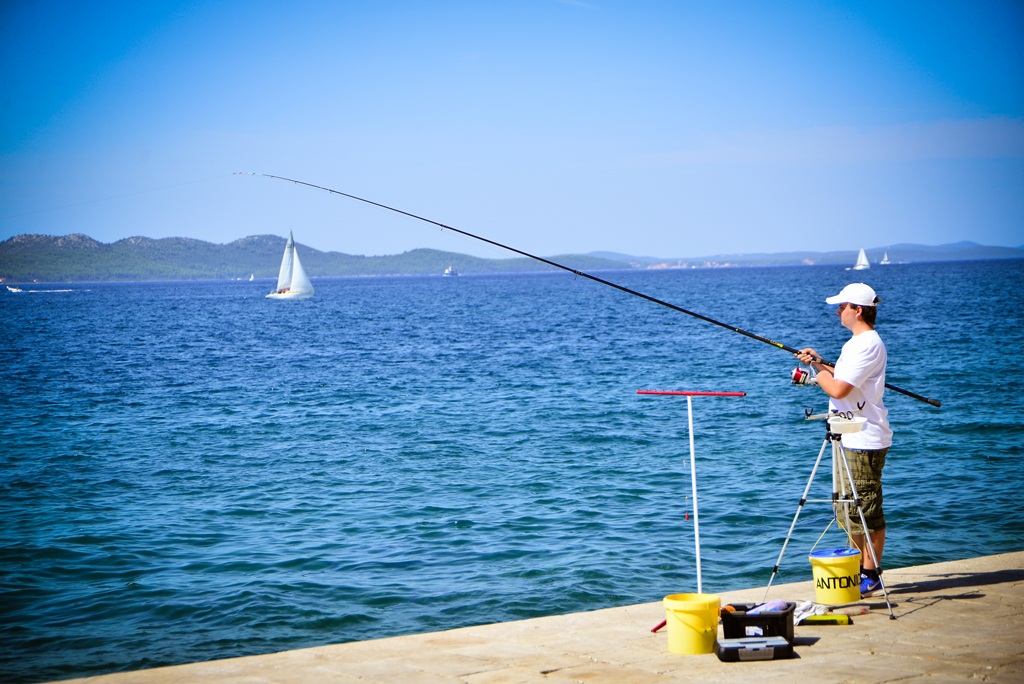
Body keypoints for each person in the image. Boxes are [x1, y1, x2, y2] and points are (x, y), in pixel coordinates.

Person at [796, 283, 892, 598]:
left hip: (864, 436)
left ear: (858, 310)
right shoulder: (857, 343)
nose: (838, 311)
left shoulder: (867, 344)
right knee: (850, 509)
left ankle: (871, 574)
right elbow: (843, 376)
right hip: (848, 433)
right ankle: (858, 570)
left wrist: (815, 372)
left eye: (842, 306)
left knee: (866, 509)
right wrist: (821, 362)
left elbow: (838, 390)